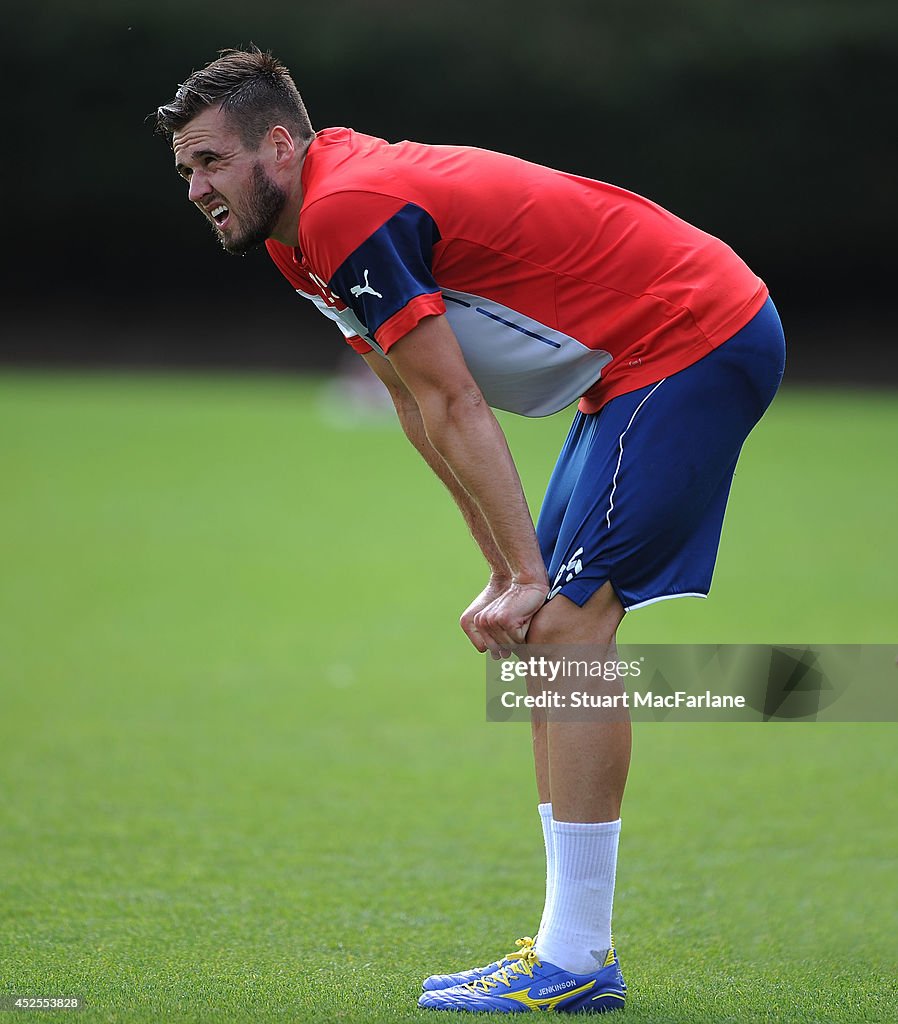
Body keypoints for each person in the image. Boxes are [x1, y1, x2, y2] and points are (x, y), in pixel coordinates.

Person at [156, 46, 785, 1015]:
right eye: (186, 170)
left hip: (690, 333)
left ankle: (576, 964)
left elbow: (457, 401)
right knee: (542, 630)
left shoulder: (343, 209)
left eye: (209, 162)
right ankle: (568, 951)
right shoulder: (294, 237)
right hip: (626, 366)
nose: (195, 187)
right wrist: (504, 576)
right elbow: (411, 400)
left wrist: (528, 574)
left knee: (569, 630)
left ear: (278, 143)